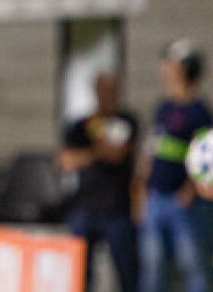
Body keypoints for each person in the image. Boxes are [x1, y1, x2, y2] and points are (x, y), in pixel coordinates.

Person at [137, 40, 212, 292]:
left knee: (193, 264)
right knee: (152, 265)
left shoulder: (199, 112)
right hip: (156, 197)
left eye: (171, 64)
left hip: (184, 204)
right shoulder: (163, 107)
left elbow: (206, 158)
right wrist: (142, 189)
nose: (165, 69)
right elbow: (152, 150)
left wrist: (190, 190)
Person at [58, 73, 138, 292]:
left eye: (111, 90)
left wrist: (98, 151)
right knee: (80, 271)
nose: (107, 96)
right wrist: (97, 151)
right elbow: (66, 160)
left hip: (117, 209)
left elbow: (119, 155)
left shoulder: (127, 121)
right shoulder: (81, 124)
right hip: (84, 207)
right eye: (102, 90)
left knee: (126, 270)